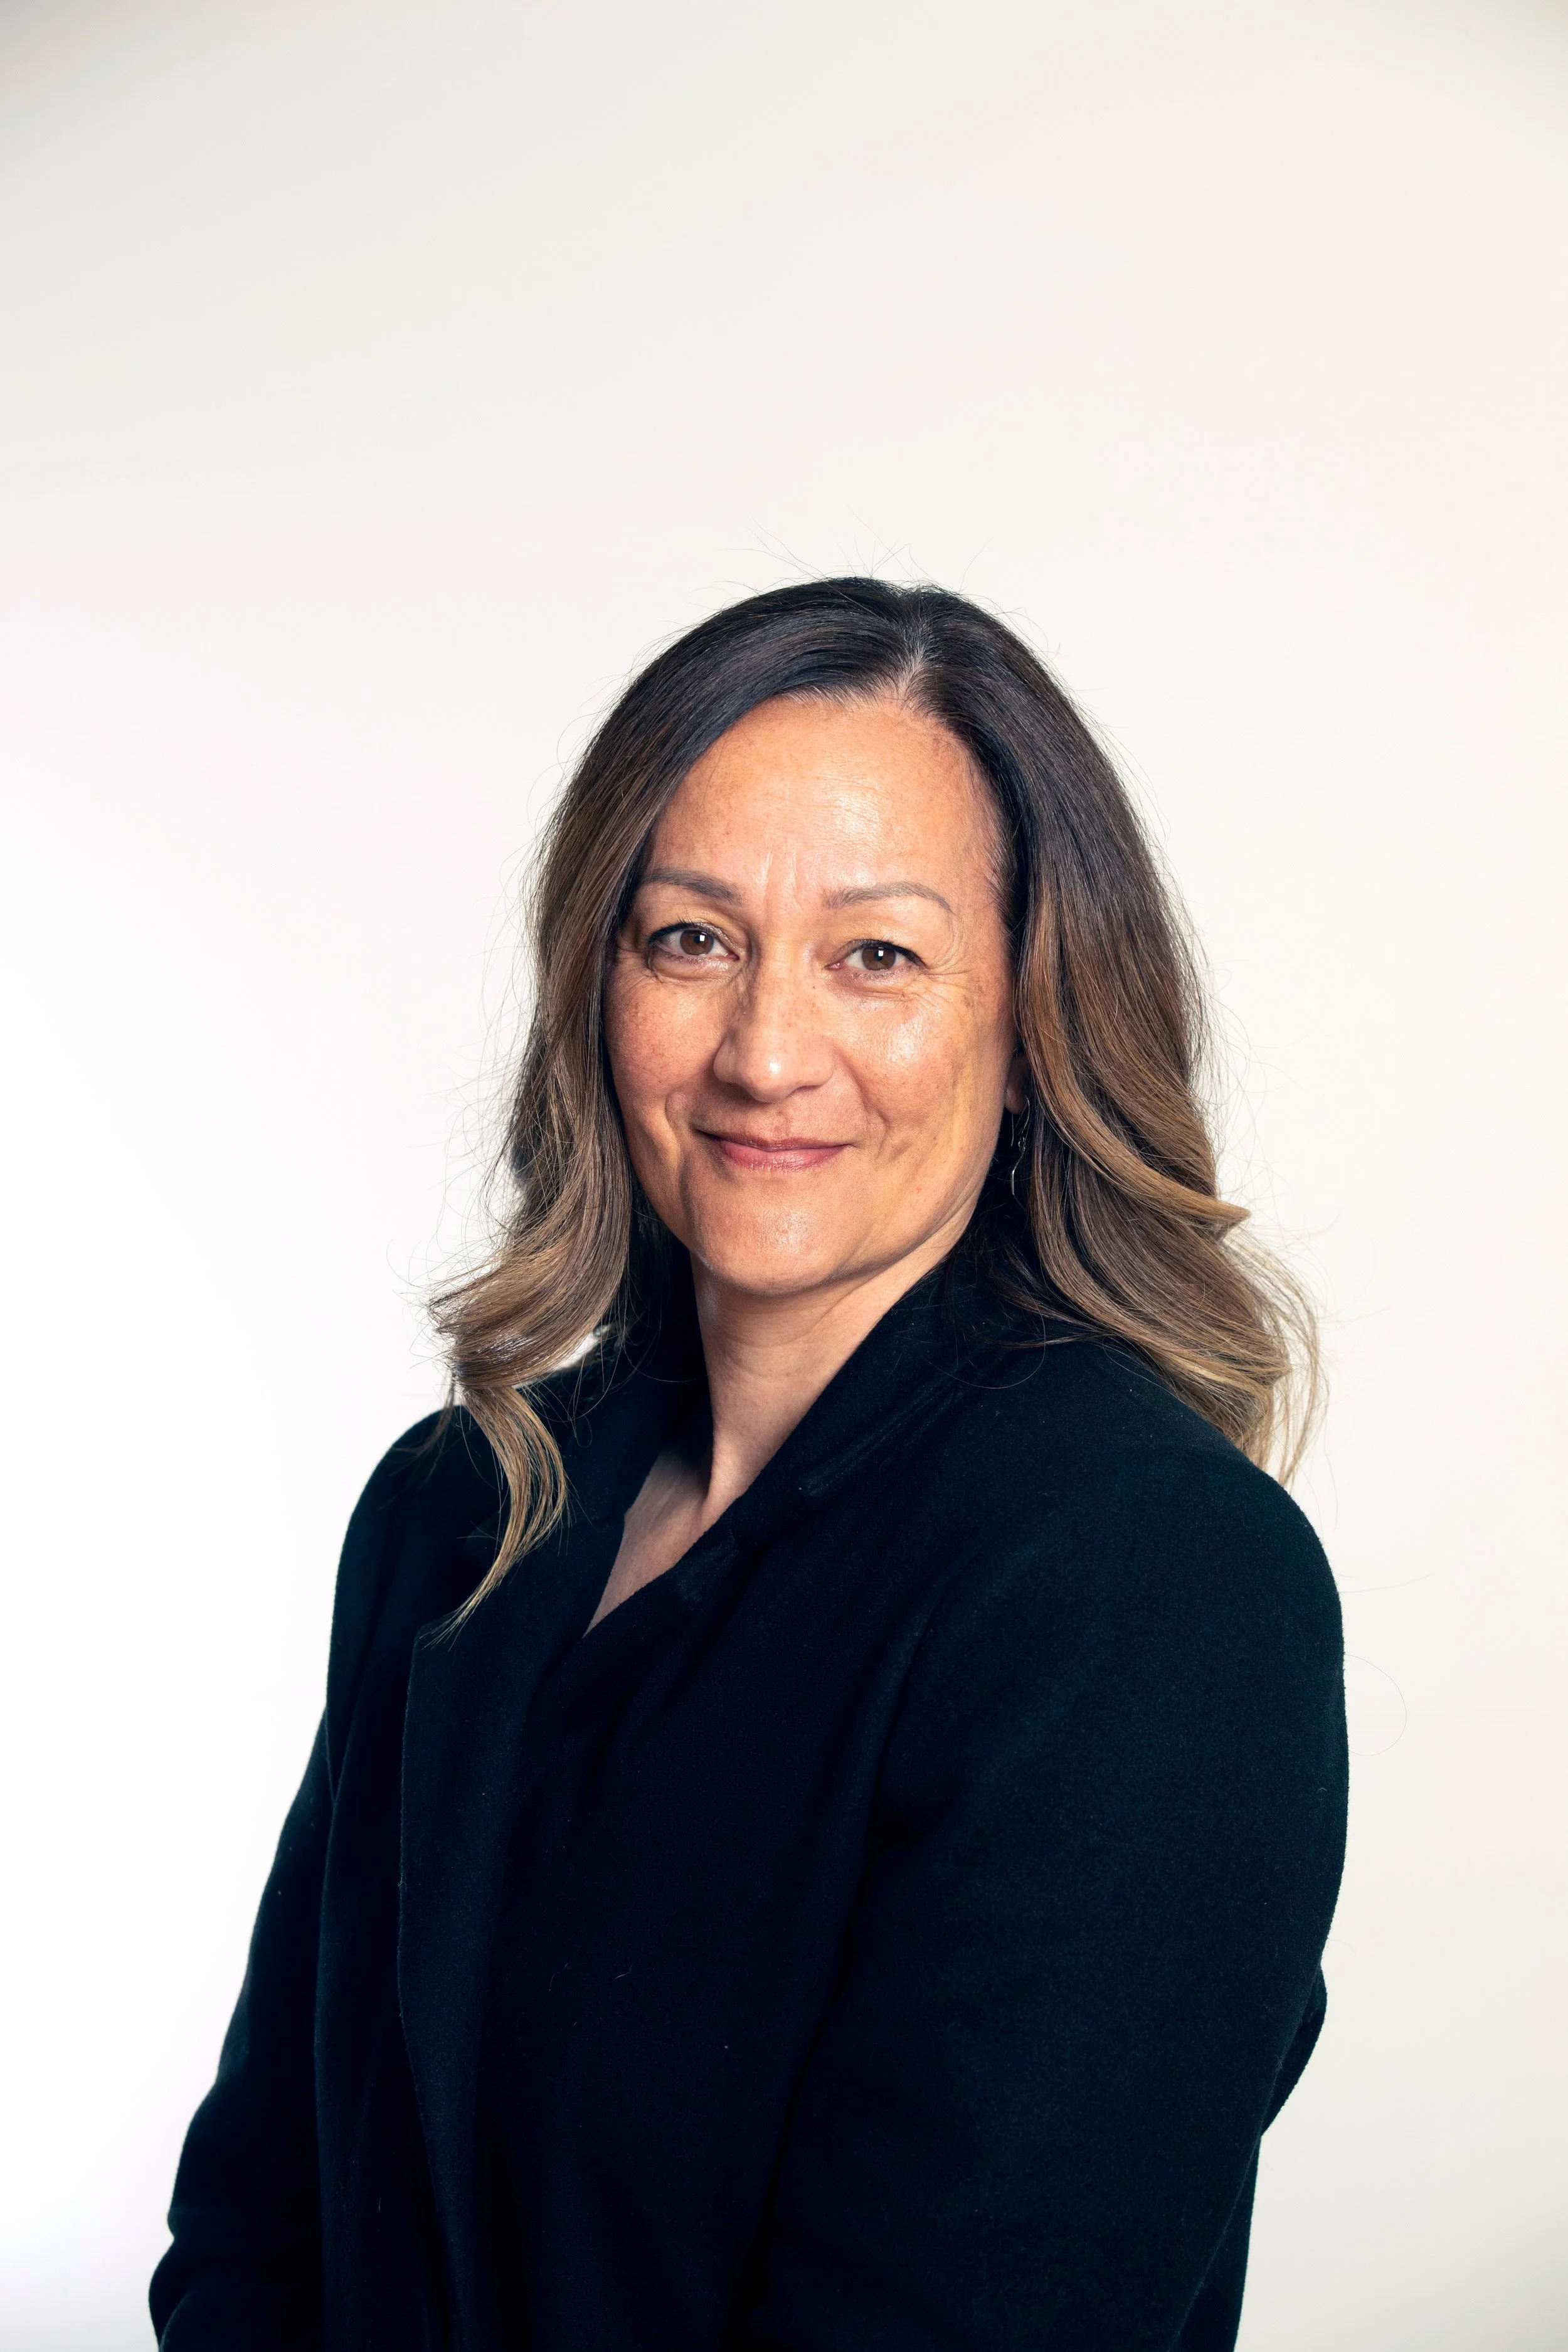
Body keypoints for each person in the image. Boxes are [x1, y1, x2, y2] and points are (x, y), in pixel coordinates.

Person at [151, 579, 1347, 2352]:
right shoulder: (457, 1511)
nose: (764, 1051)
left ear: (1024, 1024)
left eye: (877, 954)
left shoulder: (1146, 1576)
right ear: (598, 987)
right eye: (690, 938)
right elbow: (258, 2232)